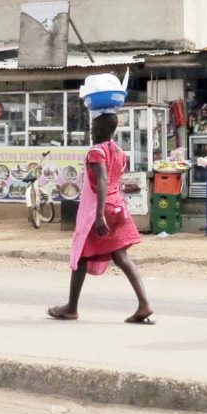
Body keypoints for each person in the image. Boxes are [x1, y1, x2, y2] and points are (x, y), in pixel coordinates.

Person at [48, 112, 153, 324]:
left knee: (82, 256)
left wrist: (98, 215)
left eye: (92, 129)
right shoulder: (119, 152)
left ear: (98, 130)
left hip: (100, 209)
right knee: (121, 257)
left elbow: (103, 180)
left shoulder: (96, 152)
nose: (91, 133)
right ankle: (144, 304)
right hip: (117, 206)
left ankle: (71, 308)